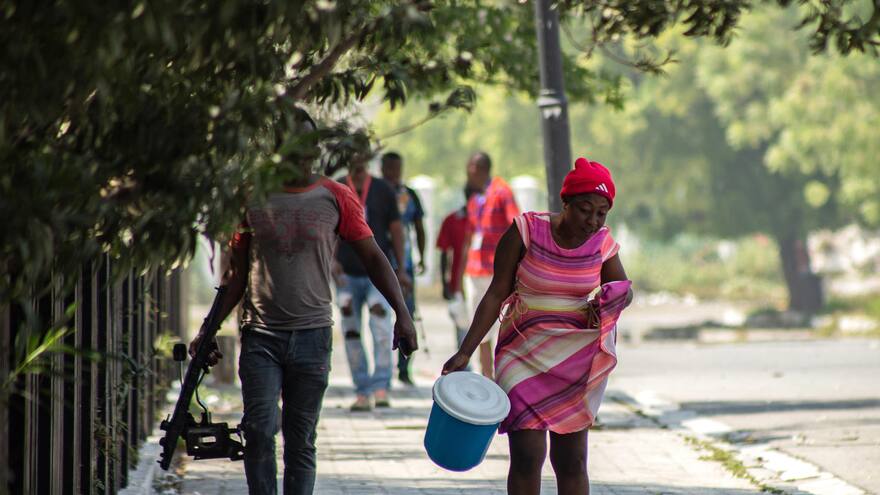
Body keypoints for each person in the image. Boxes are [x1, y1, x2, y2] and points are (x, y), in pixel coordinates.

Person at [189, 107, 418, 495]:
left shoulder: (336, 196)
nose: (302, 152)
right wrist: (207, 330)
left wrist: (403, 314)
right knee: (259, 430)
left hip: (313, 337)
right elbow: (236, 276)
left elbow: (374, 257)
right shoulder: (251, 196)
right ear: (276, 148)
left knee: (300, 440)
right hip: (261, 337)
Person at [443, 157, 633, 495]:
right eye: (585, 210)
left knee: (571, 460)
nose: (593, 221)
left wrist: (607, 299)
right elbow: (495, 293)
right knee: (527, 455)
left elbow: (624, 289)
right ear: (565, 203)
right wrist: (465, 351)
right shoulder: (526, 230)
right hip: (522, 353)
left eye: (601, 213)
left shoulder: (602, 244)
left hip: (574, 360)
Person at [334, 159, 412, 411]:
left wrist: (401, 268)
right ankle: (361, 390)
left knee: (381, 330)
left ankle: (381, 387)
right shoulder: (337, 188)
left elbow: (396, 229)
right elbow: (327, 230)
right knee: (351, 332)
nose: (358, 167)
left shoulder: (382, 189)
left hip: (376, 275)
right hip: (346, 275)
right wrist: (331, 260)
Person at [457, 151, 519, 378]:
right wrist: (458, 277)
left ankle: (499, 374)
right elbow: (469, 236)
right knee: (479, 324)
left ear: (478, 169)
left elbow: (517, 225)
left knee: (499, 323)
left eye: (470, 170)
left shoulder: (502, 191)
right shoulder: (474, 198)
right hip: (474, 269)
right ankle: (486, 375)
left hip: (496, 269)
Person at [380, 151, 426, 386]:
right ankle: (381, 372)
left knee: (407, 313)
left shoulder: (409, 195)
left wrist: (422, 257)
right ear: (382, 169)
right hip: (379, 263)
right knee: (379, 317)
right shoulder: (375, 193)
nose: (394, 173)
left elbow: (419, 227)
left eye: (397, 169)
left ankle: (404, 368)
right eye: (390, 169)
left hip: (404, 266)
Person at [436, 186, 477, 369]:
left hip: (483, 282)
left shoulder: (487, 222)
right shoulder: (452, 220)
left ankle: (485, 371)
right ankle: (464, 371)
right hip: (459, 284)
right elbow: (444, 252)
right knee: (462, 326)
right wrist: (445, 283)